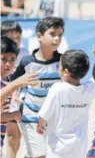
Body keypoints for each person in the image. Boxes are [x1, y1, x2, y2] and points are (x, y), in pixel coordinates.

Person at [10, 16, 65, 158]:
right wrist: (15, 93)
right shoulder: (27, 62)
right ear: (39, 36)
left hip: (53, 119)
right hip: (31, 117)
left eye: (60, 35)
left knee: (35, 154)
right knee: (40, 155)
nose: (57, 38)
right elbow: (13, 82)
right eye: (53, 34)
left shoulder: (63, 61)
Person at [0, 36, 38, 157]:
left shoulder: (9, 80)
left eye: (12, 59)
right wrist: (13, 115)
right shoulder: (12, 82)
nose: (8, 63)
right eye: (3, 59)